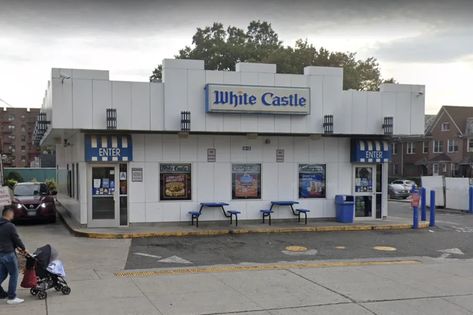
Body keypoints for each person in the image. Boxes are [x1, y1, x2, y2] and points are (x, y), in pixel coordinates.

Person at [0, 207, 26, 305]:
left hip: (1, 254)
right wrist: (23, 248)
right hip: (8, 254)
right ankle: (12, 297)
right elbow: (16, 239)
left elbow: (7, 238)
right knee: (14, 274)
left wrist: (16, 247)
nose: (13, 216)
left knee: (2, 273)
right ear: (9, 214)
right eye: (12, 214)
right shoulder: (10, 226)